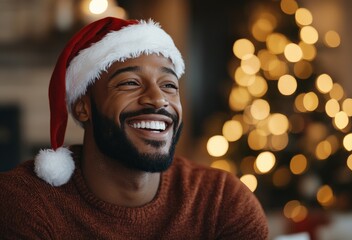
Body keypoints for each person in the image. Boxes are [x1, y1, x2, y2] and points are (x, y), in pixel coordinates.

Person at [0, 17, 268, 239]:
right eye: (129, 83)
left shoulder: (222, 201)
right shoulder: (24, 203)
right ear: (83, 107)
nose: (158, 98)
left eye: (169, 85)